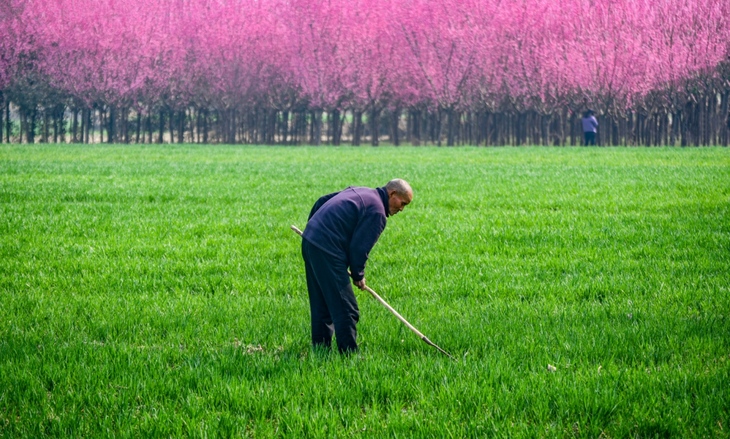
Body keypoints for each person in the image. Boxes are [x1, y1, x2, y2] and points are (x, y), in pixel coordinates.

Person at [300, 179, 413, 354]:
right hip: (327, 250)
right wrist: (358, 275)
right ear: (392, 194)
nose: (402, 209)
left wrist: (313, 230)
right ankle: (349, 357)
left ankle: (321, 354)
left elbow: (322, 201)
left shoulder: (361, 191)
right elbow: (359, 248)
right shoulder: (377, 212)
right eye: (402, 203)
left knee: (322, 305)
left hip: (310, 241)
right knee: (347, 309)